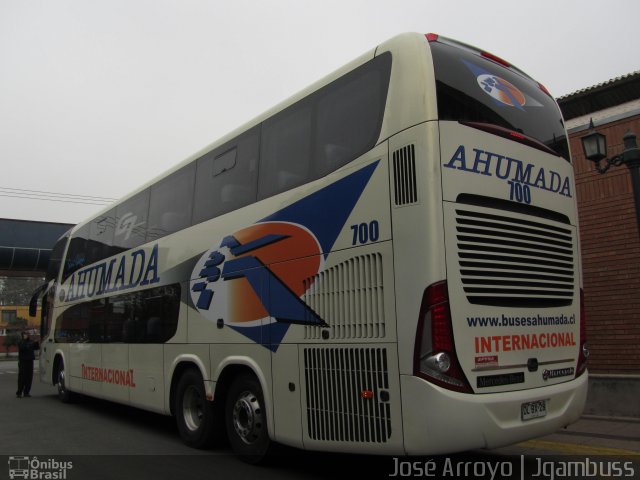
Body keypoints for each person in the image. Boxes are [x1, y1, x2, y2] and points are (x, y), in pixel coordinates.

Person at [16, 331, 39, 398]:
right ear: (22, 335)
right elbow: (23, 348)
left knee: (29, 377)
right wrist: (31, 344)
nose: (25, 335)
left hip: (30, 361)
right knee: (22, 377)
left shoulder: (31, 341)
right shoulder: (21, 342)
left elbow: (36, 348)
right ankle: (19, 392)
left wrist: (36, 342)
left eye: (26, 334)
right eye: (24, 334)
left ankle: (26, 392)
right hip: (23, 361)